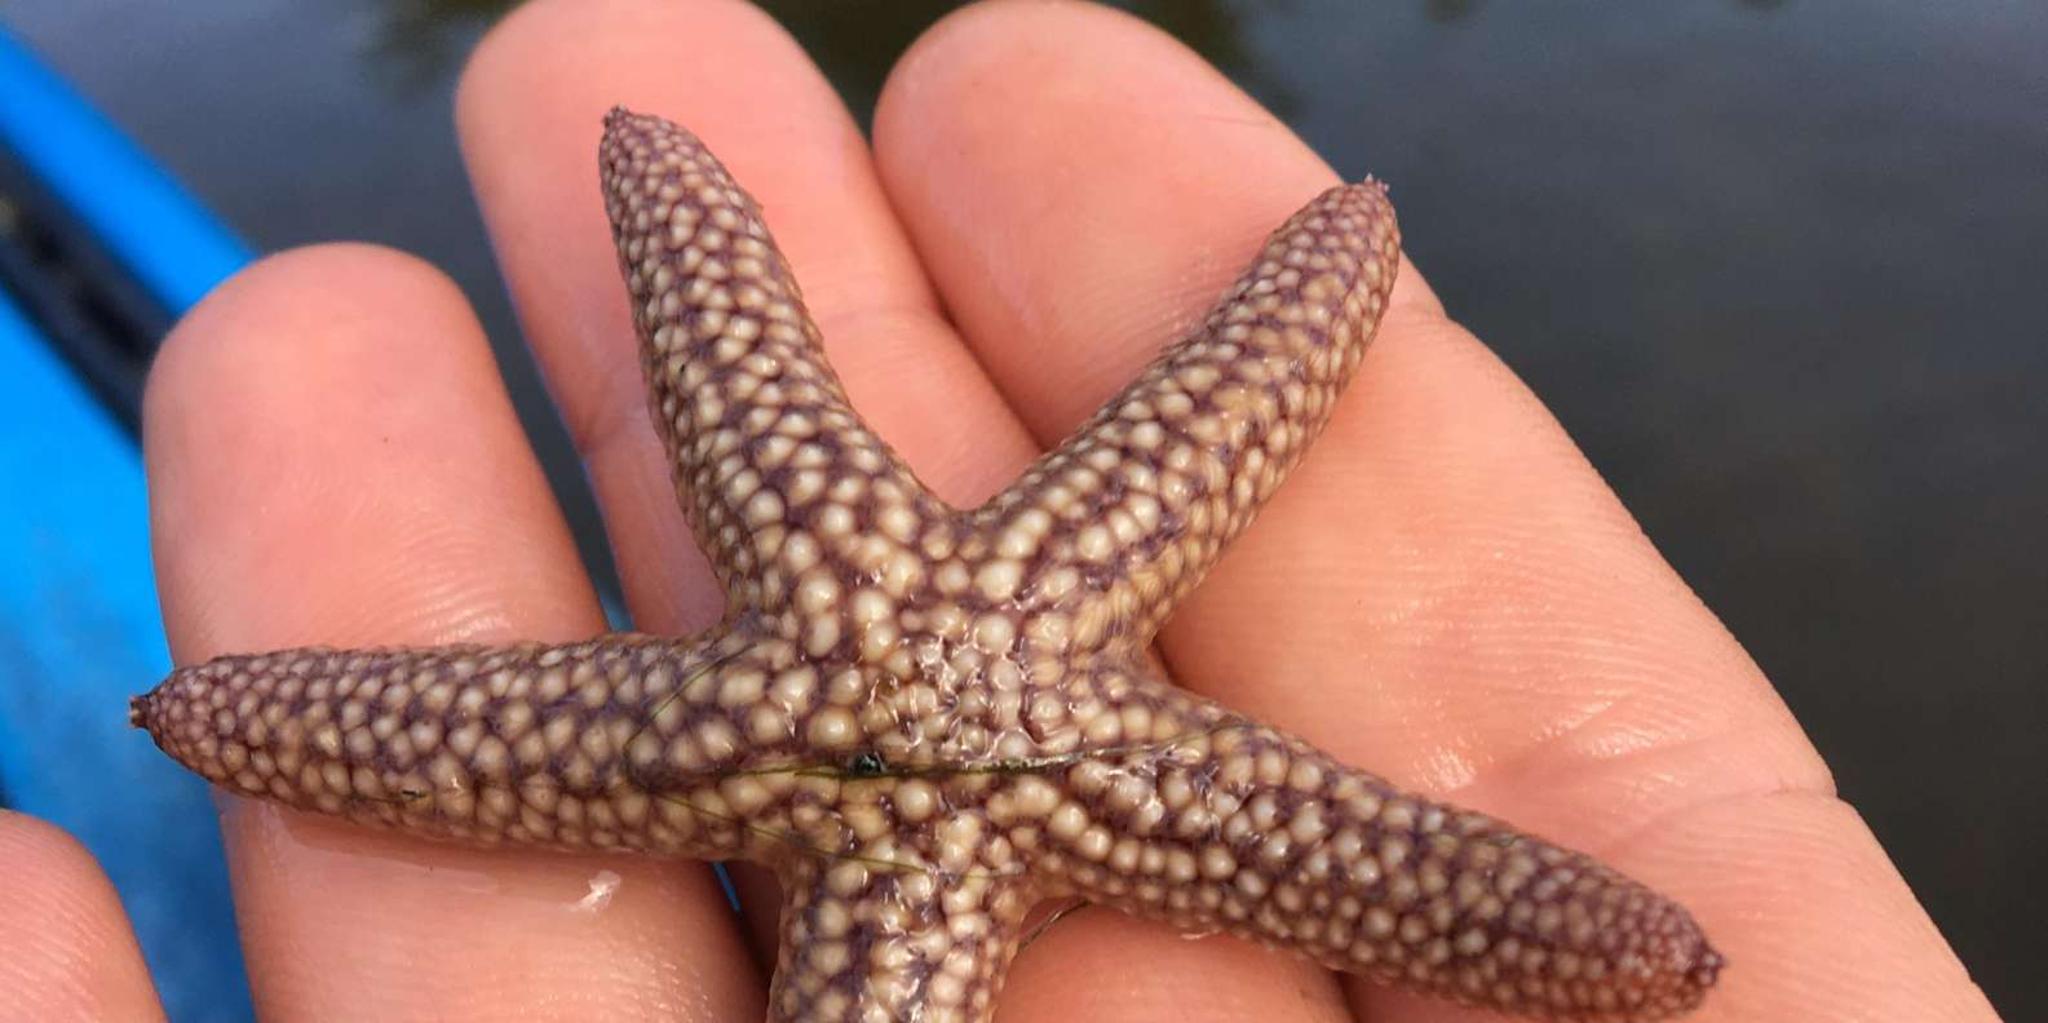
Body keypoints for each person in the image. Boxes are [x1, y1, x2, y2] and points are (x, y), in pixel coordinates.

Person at [1, 1, 1997, 1020]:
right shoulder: (1067, 591)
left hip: (918, 745)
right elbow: (1189, 412)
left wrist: (1316, 282)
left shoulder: (883, 668)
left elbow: (754, 394)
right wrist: (1323, 275)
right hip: (1006, 733)